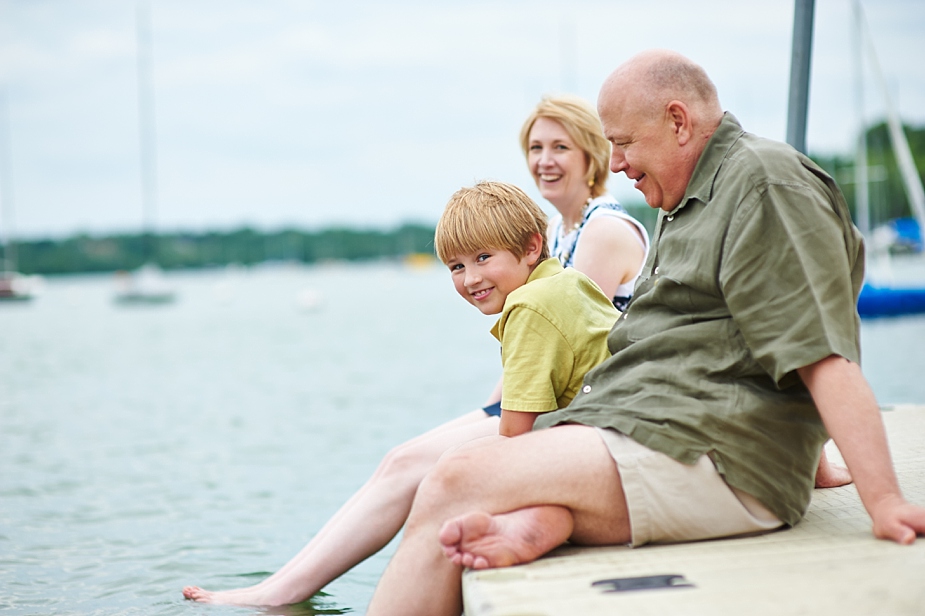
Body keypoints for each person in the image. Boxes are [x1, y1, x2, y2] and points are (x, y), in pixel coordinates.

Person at [364, 49, 925, 616]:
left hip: (710, 451)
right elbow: (745, 338)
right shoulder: (687, 198)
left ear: (678, 122)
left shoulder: (765, 185)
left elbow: (819, 353)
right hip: (648, 426)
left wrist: (883, 502)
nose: (616, 162)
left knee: (455, 481)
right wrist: (819, 465)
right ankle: (546, 521)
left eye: (624, 142)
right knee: (460, 481)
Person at [182, 95, 649, 607]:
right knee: (402, 458)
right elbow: (538, 359)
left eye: (560, 146)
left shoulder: (600, 231)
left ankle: (283, 592)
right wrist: (487, 410)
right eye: (536, 146)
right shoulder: (558, 235)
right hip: (559, 397)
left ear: (592, 154)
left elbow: (563, 349)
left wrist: (488, 425)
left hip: (584, 409)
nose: (545, 158)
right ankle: (284, 586)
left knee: (417, 467)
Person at [435, 181, 619, 437]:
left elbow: (515, 435)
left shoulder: (528, 307)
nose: (470, 279)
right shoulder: (571, 280)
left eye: (483, 257)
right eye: (457, 267)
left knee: (455, 464)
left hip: (611, 435)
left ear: (531, 248)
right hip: (628, 419)